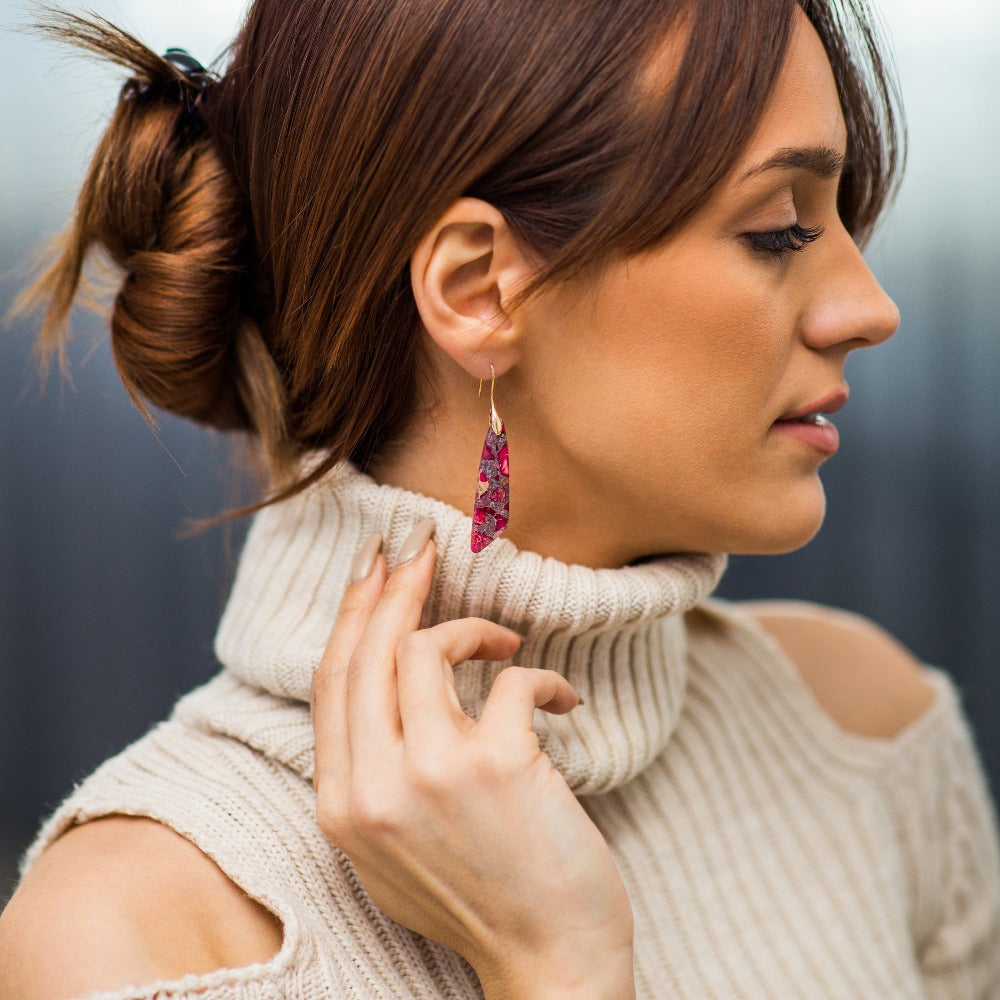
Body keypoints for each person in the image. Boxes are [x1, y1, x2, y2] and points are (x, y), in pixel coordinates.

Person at [2, 0, 999, 997]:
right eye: (779, 229)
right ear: (479, 288)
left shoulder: (865, 734)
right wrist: (554, 963)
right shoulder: (137, 934)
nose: (869, 306)